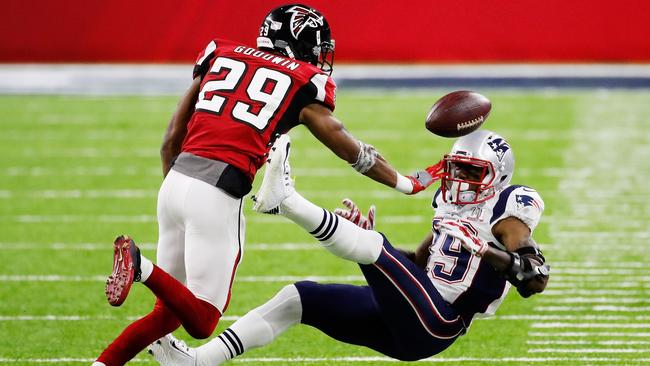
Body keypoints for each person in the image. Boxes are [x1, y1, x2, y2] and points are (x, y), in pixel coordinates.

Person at [93, 4, 440, 366]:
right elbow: (348, 147)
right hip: (217, 189)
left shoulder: (220, 54)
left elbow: (169, 140)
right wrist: (405, 183)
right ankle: (140, 264)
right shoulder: (303, 79)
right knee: (204, 319)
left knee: (167, 313)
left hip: (175, 181)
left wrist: (182, 189)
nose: (320, 57)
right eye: (316, 47)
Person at [147, 130, 551, 365]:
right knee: (299, 298)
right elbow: (416, 264)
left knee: (373, 248)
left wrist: (487, 251)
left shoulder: (508, 208)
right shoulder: (447, 201)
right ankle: (199, 361)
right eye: (456, 167)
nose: (458, 177)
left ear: (497, 176)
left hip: (437, 324)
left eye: (471, 171)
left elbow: (534, 277)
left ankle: (287, 201)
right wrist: (375, 243)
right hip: (408, 311)